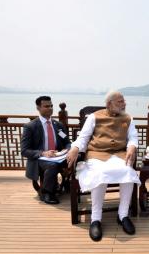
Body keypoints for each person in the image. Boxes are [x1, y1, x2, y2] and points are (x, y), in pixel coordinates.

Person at [66, 91, 140, 242]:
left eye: (124, 100)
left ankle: (123, 215)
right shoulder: (94, 117)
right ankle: (96, 219)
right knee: (100, 174)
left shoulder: (128, 118)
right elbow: (83, 137)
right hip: (97, 154)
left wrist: (132, 147)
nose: (124, 103)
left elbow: (133, 137)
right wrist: (75, 148)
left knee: (128, 172)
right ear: (109, 104)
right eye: (120, 101)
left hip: (119, 154)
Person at [21, 96, 71, 205]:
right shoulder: (30, 127)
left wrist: (67, 150)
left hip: (58, 156)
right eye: (46, 106)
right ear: (38, 108)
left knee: (77, 157)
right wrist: (43, 153)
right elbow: (24, 151)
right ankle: (47, 193)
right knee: (52, 165)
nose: (50, 108)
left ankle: (70, 184)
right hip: (40, 158)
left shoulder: (58, 126)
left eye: (51, 106)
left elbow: (67, 141)